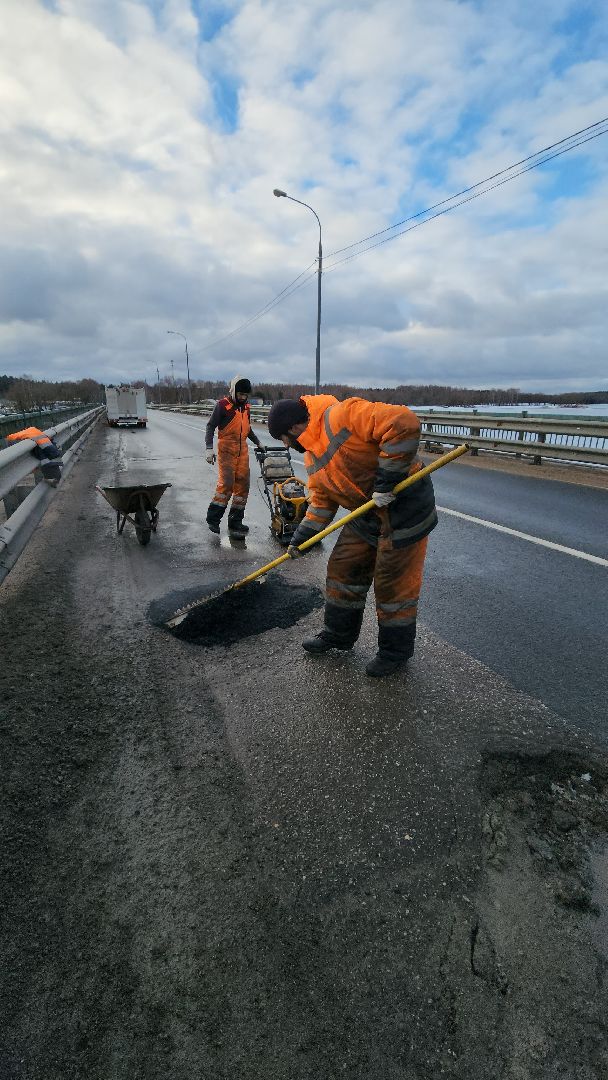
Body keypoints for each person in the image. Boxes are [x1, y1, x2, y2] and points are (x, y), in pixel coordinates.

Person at [267, 394, 437, 677]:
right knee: (343, 568)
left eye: (283, 437)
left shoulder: (342, 415)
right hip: (366, 512)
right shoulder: (311, 455)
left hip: (405, 507)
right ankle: (338, 635)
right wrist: (301, 539)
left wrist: (386, 483)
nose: (285, 445)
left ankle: (395, 653)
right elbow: (321, 502)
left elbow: (403, 422)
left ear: (294, 428)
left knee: (392, 586)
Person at [205, 375, 262, 538]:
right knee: (227, 484)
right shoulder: (222, 406)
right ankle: (213, 519)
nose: (243, 398)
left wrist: (258, 442)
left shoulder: (246, 408)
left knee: (243, 487)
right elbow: (210, 426)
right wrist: (209, 448)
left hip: (242, 449)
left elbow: (248, 429)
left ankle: (235, 521)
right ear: (234, 391)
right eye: (241, 395)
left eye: (246, 395)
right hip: (226, 449)